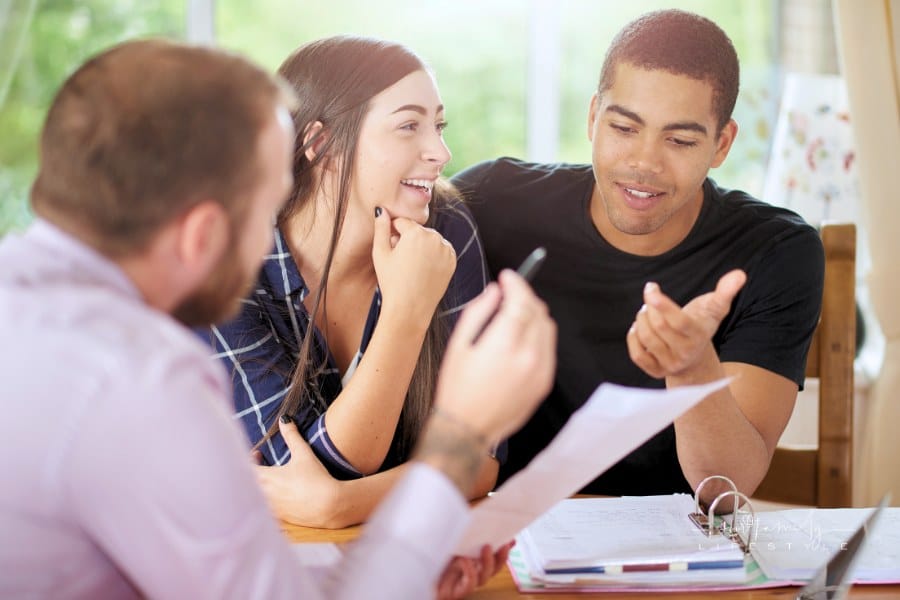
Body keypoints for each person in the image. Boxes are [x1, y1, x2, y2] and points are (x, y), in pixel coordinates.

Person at [0, 39, 556, 599]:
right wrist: (459, 440)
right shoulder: (143, 376)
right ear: (203, 237)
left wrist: (400, 572)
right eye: (269, 202)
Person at [452, 9, 825, 505]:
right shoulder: (491, 198)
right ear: (592, 117)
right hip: (505, 535)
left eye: (679, 140)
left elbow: (727, 489)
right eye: (625, 128)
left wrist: (692, 366)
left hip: (672, 554)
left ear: (722, 144)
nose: (644, 163)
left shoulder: (776, 251)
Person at [198, 35, 499, 528]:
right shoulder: (228, 270)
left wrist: (338, 506)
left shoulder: (444, 227)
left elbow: (480, 457)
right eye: (409, 126)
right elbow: (306, 469)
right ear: (320, 144)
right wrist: (406, 312)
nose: (441, 152)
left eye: (439, 126)